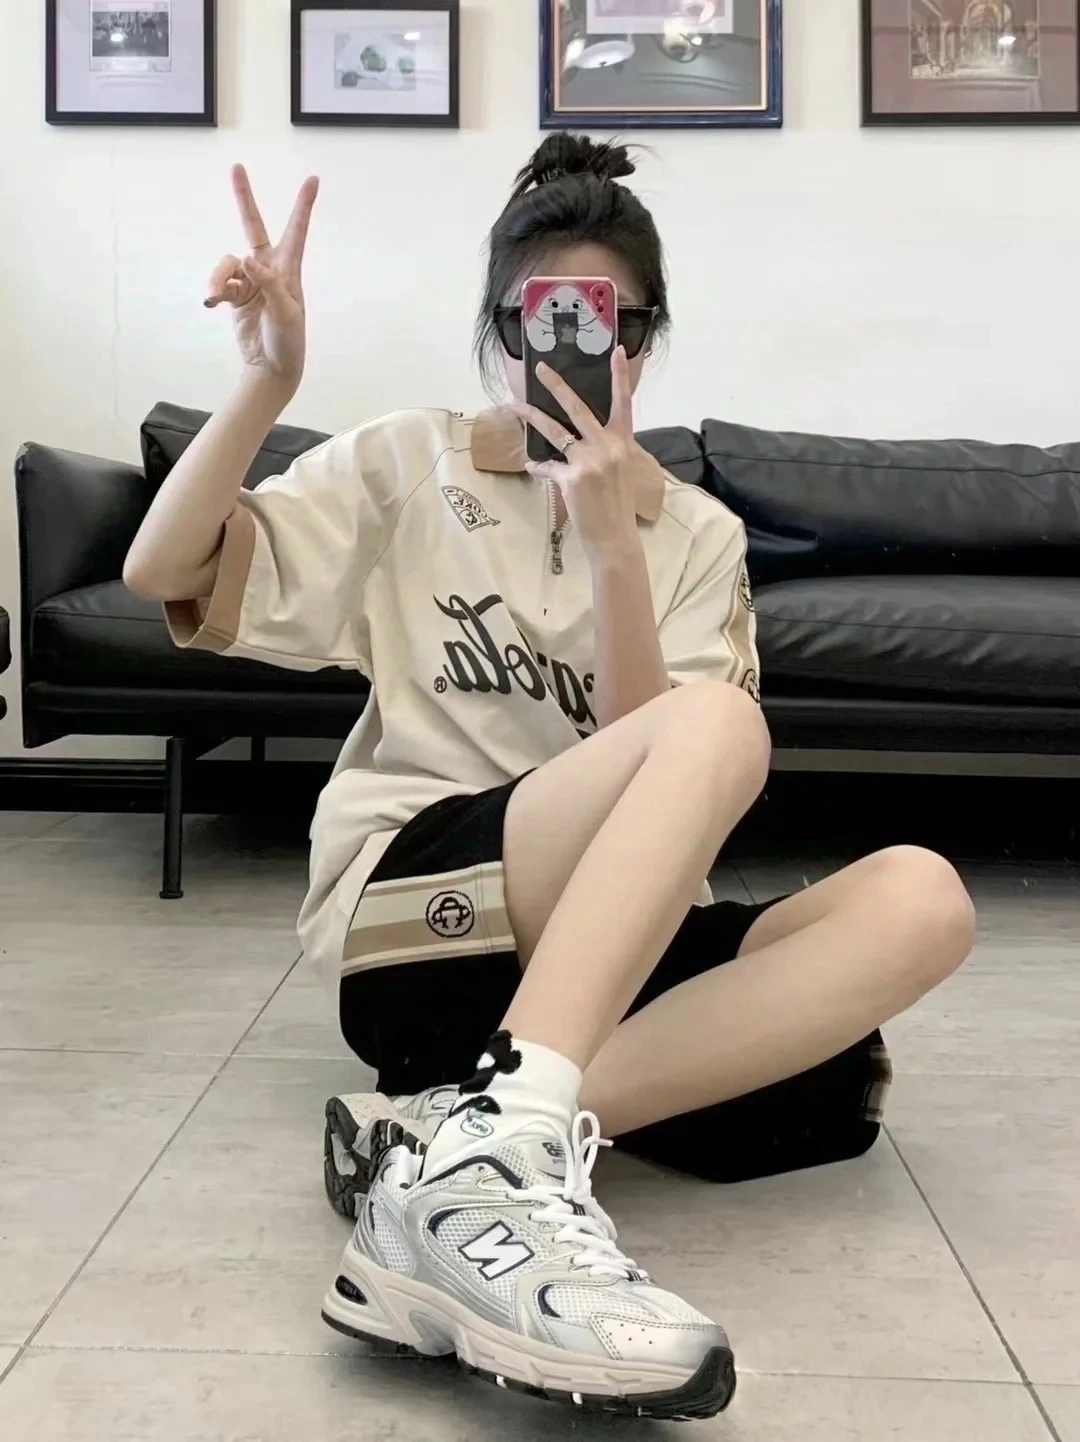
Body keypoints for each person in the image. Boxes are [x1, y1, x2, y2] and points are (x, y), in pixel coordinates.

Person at [125, 136, 976, 1422]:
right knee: (720, 736)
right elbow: (162, 572)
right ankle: (514, 1129)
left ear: (646, 339)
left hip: (601, 946)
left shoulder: (696, 532)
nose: (581, 349)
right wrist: (266, 381)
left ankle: (452, 1138)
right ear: (502, 329)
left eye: (612, 323)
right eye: (547, 319)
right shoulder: (407, 464)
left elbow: (660, 812)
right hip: (425, 909)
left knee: (921, 903)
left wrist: (614, 545)